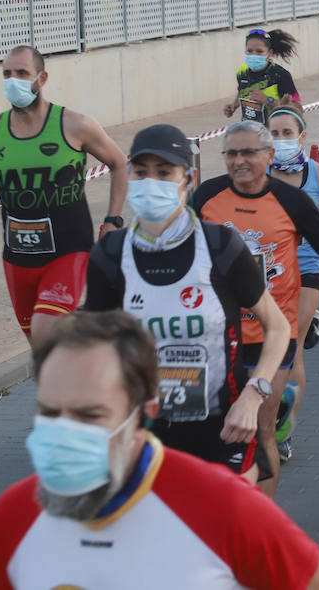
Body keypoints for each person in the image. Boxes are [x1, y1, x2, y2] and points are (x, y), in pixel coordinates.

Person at [0, 310, 319, 590]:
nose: (66, 429)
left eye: (89, 413)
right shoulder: (12, 517)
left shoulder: (222, 505)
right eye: (50, 412)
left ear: (144, 412)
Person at [83, 124, 292, 481]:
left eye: (164, 173)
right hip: (143, 429)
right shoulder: (111, 253)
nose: (152, 182)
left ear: (188, 178)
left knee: (222, 529)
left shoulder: (220, 246)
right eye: (141, 172)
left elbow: (278, 327)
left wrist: (252, 397)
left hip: (224, 426)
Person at [191, 121, 319, 498]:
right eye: (232, 153)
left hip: (272, 334)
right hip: (216, 335)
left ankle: (264, 520)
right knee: (212, 431)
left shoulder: (291, 201)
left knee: (260, 432)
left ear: (269, 156)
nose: (240, 161)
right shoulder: (207, 196)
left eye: (249, 153)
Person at [0, 46, 129, 345]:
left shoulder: (74, 124)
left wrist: (113, 220)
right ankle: (85, 375)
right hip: (17, 256)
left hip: (69, 250)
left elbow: (119, 163)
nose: (12, 81)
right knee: (41, 349)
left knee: (47, 331)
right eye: (6, 74)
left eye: (21, 73)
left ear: (41, 78)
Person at [266, 99, 319, 460]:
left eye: (288, 133)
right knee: (262, 346)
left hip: (306, 268)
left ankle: (282, 428)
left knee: (290, 346)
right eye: (274, 134)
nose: (282, 139)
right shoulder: (258, 174)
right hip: (266, 269)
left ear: (302, 135)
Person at [224, 29, 300, 123]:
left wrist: (268, 101)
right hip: (249, 131)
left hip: (273, 132)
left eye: (259, 51)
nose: (253, 55)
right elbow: (241, 90)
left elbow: (298, 108)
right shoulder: (242, 72)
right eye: (249, 51)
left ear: (269, 53)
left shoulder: (280, 75)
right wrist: (233, 105)